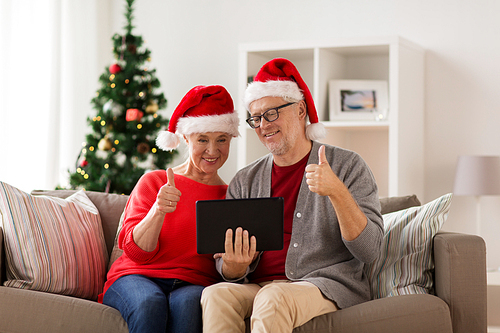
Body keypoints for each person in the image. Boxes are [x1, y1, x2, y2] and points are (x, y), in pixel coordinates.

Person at [201, 58, 384, 333]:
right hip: (260, 287)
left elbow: (370, 250)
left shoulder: (348, 166)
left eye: (272, 113)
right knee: (215, 295)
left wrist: (337, 192)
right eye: (256, 118)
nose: (263, 125)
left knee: (272, 299)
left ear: (300, 110)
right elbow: (228, 272)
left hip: (323, 286)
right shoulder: (244, 180)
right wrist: (234, 266)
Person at [100, 85, 240, 333]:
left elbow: (225, 268)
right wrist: (158, 210)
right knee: (150, 303)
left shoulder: (230, 196)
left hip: (194, 283)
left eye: (222, 140)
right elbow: (135, 252)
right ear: (186, 139)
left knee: (188, 306)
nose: (212, 150)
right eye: (202, 140)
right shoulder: (154, 181)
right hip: (136, 276)